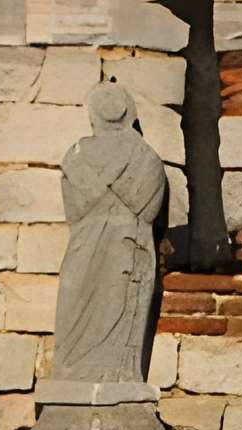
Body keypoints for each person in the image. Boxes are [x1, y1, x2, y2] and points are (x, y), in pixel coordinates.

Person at [53, 86, 165, 387]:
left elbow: (145, 210)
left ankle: (108, 378)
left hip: (119, 249)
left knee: (111, 312)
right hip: (104, 245)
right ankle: (76, 379)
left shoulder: (77, 157)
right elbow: (143, 208)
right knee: (77, 319)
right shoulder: (145, 157)